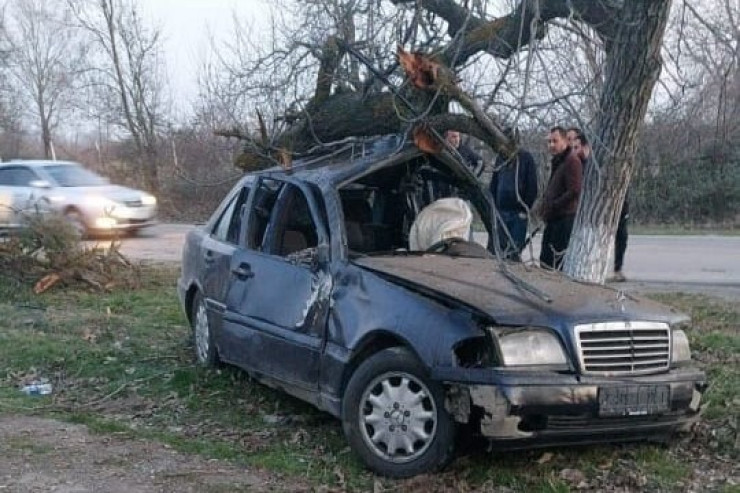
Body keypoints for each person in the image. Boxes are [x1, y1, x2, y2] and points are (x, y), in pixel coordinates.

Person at [489, 129, 538, 260]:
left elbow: (532, 187)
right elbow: (494, 183)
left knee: (513, 252)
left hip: (518, 214)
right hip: (501, 212)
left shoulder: (526, 158)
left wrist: (524, 209)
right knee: (498, 250)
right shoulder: (500, 158)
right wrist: (494, 207)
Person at [539, 126, 582, 270]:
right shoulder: (558, 161)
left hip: (564, 220)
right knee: (545, 261)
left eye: (555, 141)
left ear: (565, 141)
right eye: (549, 142)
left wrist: (554, 205)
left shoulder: (572, 161)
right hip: (553, 219)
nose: (551, 145)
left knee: (555, 263)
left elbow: (574, 190)